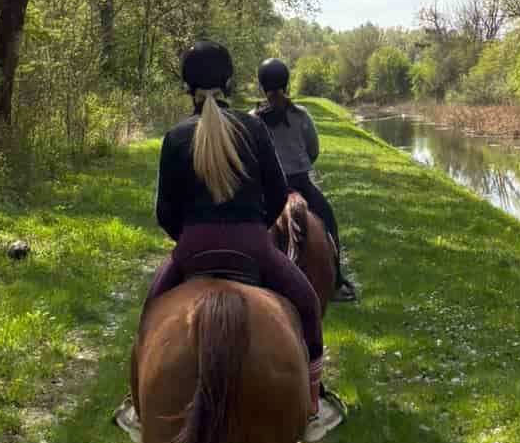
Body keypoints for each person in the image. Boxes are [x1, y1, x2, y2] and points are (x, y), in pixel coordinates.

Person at [143, 42, 324, 414]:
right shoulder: (253, 127)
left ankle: (137, 404)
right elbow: (276, 194)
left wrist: (190, 240)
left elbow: (164, 211)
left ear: (186, 86)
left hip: (193, 246)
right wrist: (254, 228)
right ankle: (312, 400)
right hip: (252, 245)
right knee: (306, 303)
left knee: (148, 318)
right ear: (229, 82)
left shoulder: (176, 136)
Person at [255, 58, 359, 301]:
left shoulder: (253, 119)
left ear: (262, 86)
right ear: (287, 84)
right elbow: (313, 150)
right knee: (328, 220)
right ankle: (336, 281)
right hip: (301, 182)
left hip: (269, 188)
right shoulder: (301, 116)